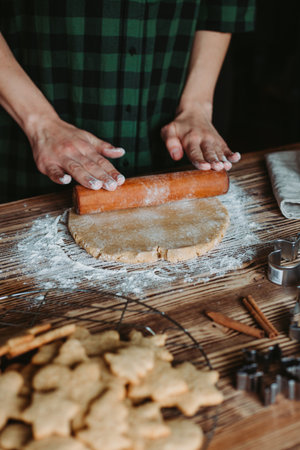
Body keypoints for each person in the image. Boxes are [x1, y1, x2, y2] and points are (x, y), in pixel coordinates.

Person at [0, 1, 255, 203]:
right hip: (31, 138)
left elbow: (223, 7)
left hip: (165, 127)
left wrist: (196, 106)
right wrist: (39, 123)